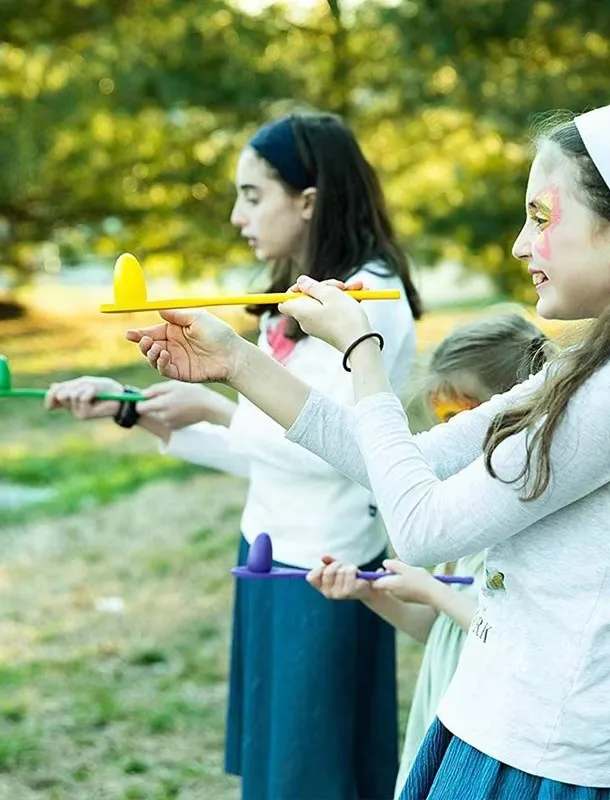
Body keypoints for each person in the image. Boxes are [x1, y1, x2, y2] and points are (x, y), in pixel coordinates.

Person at [125, 98, 610, 799]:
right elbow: (406, 457)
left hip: (548, 763)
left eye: (540, 217)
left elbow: (420, 527)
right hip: (524, 731)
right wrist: (236, 362)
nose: (519, 244)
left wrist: (362, 353)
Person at [46, 112, 422, 800]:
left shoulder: (367, 298)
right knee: (277, 776)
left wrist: (217, 405)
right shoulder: (299, 296)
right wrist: (137, 411)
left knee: (314, 781)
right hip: (269, 556)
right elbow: (271, 454)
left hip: (324, 575)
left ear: (308, 200)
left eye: (252, 195)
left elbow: (339, 450)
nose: (235, 214)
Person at [306, 312, 548, 798]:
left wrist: (433, 591)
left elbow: (505, 629)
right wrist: (374, 595)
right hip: (444, 714)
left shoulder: (526, 518)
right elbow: (437, 632)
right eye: (443, 422)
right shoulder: (458, 514)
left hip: (496, 730)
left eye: (462, 420)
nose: (454, 437)